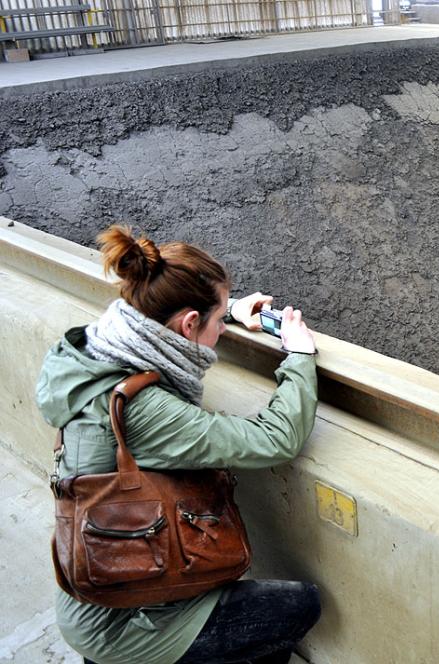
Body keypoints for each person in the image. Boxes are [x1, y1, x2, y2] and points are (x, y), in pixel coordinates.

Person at [35, 225, 321, 664]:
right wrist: (299, 357)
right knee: (297, 607)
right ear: (189, 323)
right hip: (123, 623)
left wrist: (228, 311)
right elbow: (275, 439)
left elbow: (170, 323)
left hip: (96, 586)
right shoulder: (143, 410)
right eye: (217, 321)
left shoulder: (95, 350)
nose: (221, 329)